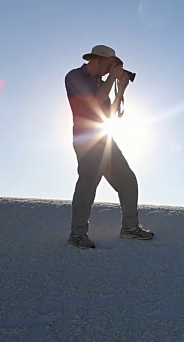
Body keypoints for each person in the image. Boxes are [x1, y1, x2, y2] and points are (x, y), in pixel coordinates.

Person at [64, 45, 153, 249]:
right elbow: (91, 103)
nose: (110, 70)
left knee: (128, 180)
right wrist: (112, 79)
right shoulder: (75, 76)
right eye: (111, 66)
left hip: (105, 139)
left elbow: (111, 116)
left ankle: (129, 228)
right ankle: (77, 234)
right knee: (88, 183)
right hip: (86, 139)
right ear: (99, 60)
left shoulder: (102, 83)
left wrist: (120, 90)